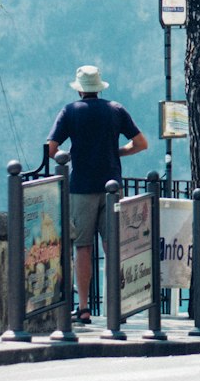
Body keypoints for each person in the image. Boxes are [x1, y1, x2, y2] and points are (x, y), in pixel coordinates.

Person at [46, 64, 148, 325]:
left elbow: (52, 147)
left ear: (80, 89)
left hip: (81, 186)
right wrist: (118, 152)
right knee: (113, 246)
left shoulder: (69, 111)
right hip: (112, 186)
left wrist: (66, 156)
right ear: (99, 88)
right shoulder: (115, 110)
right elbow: (141, 143)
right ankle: (117, 304)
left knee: (82, 247)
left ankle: (82, 308)